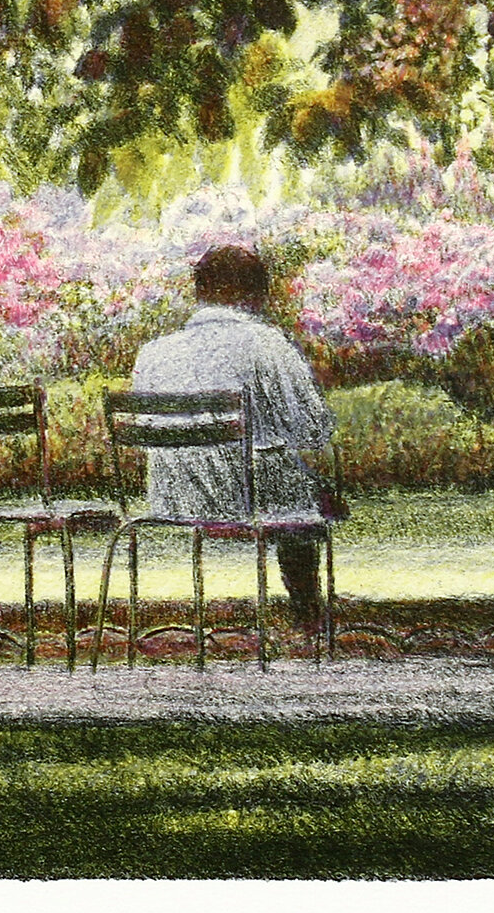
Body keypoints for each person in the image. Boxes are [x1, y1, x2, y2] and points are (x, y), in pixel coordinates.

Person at [127, 244, 337, 628]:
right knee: (302, 485)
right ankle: (308, 615)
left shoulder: (154, 353)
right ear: (256, 294)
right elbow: (314, 430)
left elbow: (144, 436)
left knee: (288, 478)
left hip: (171, 497)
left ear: (199, 291)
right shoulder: (268, 345)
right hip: (248, 500)